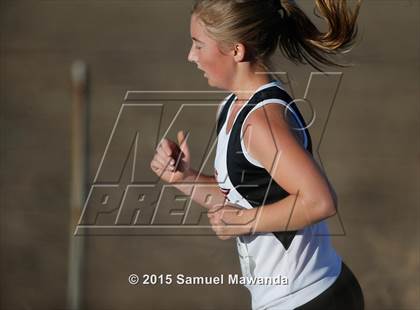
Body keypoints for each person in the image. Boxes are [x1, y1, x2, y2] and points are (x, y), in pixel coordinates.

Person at [150, 0, 364, 309]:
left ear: (236, 50)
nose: (190, 56)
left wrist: (245, 223)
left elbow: (319, 201)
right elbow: (244, 197)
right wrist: (183, 178)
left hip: (307, 298)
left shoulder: (260, 124)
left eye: (198, 45)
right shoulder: (231, 108)